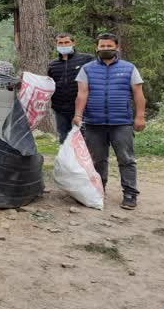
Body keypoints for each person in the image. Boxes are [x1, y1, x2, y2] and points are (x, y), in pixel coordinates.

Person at [73, 33, 146, 210]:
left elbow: (138, 93)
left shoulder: (129, 68)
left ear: (117, 47)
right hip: (94, 122)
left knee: (126, 159)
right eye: (102, 46)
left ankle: (130, 193)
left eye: (109, 46)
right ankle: (98, 191)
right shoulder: (87, 69)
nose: (106, 49)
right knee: (97, 160)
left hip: (121, 122)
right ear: (97, 48)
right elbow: (82, 93)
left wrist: (140, 116)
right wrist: (78, 115)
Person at [48, 33, 94, 143]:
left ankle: (87, 160)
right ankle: (66, 160)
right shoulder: (52, 64)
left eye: (66, 42)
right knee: (64, 139)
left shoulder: (87, 59)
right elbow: (49, 84)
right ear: (56, 44)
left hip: (83, 108)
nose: (63, 45)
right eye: (60, 43)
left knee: (83, 139)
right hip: (60, 109)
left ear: (73, 43)